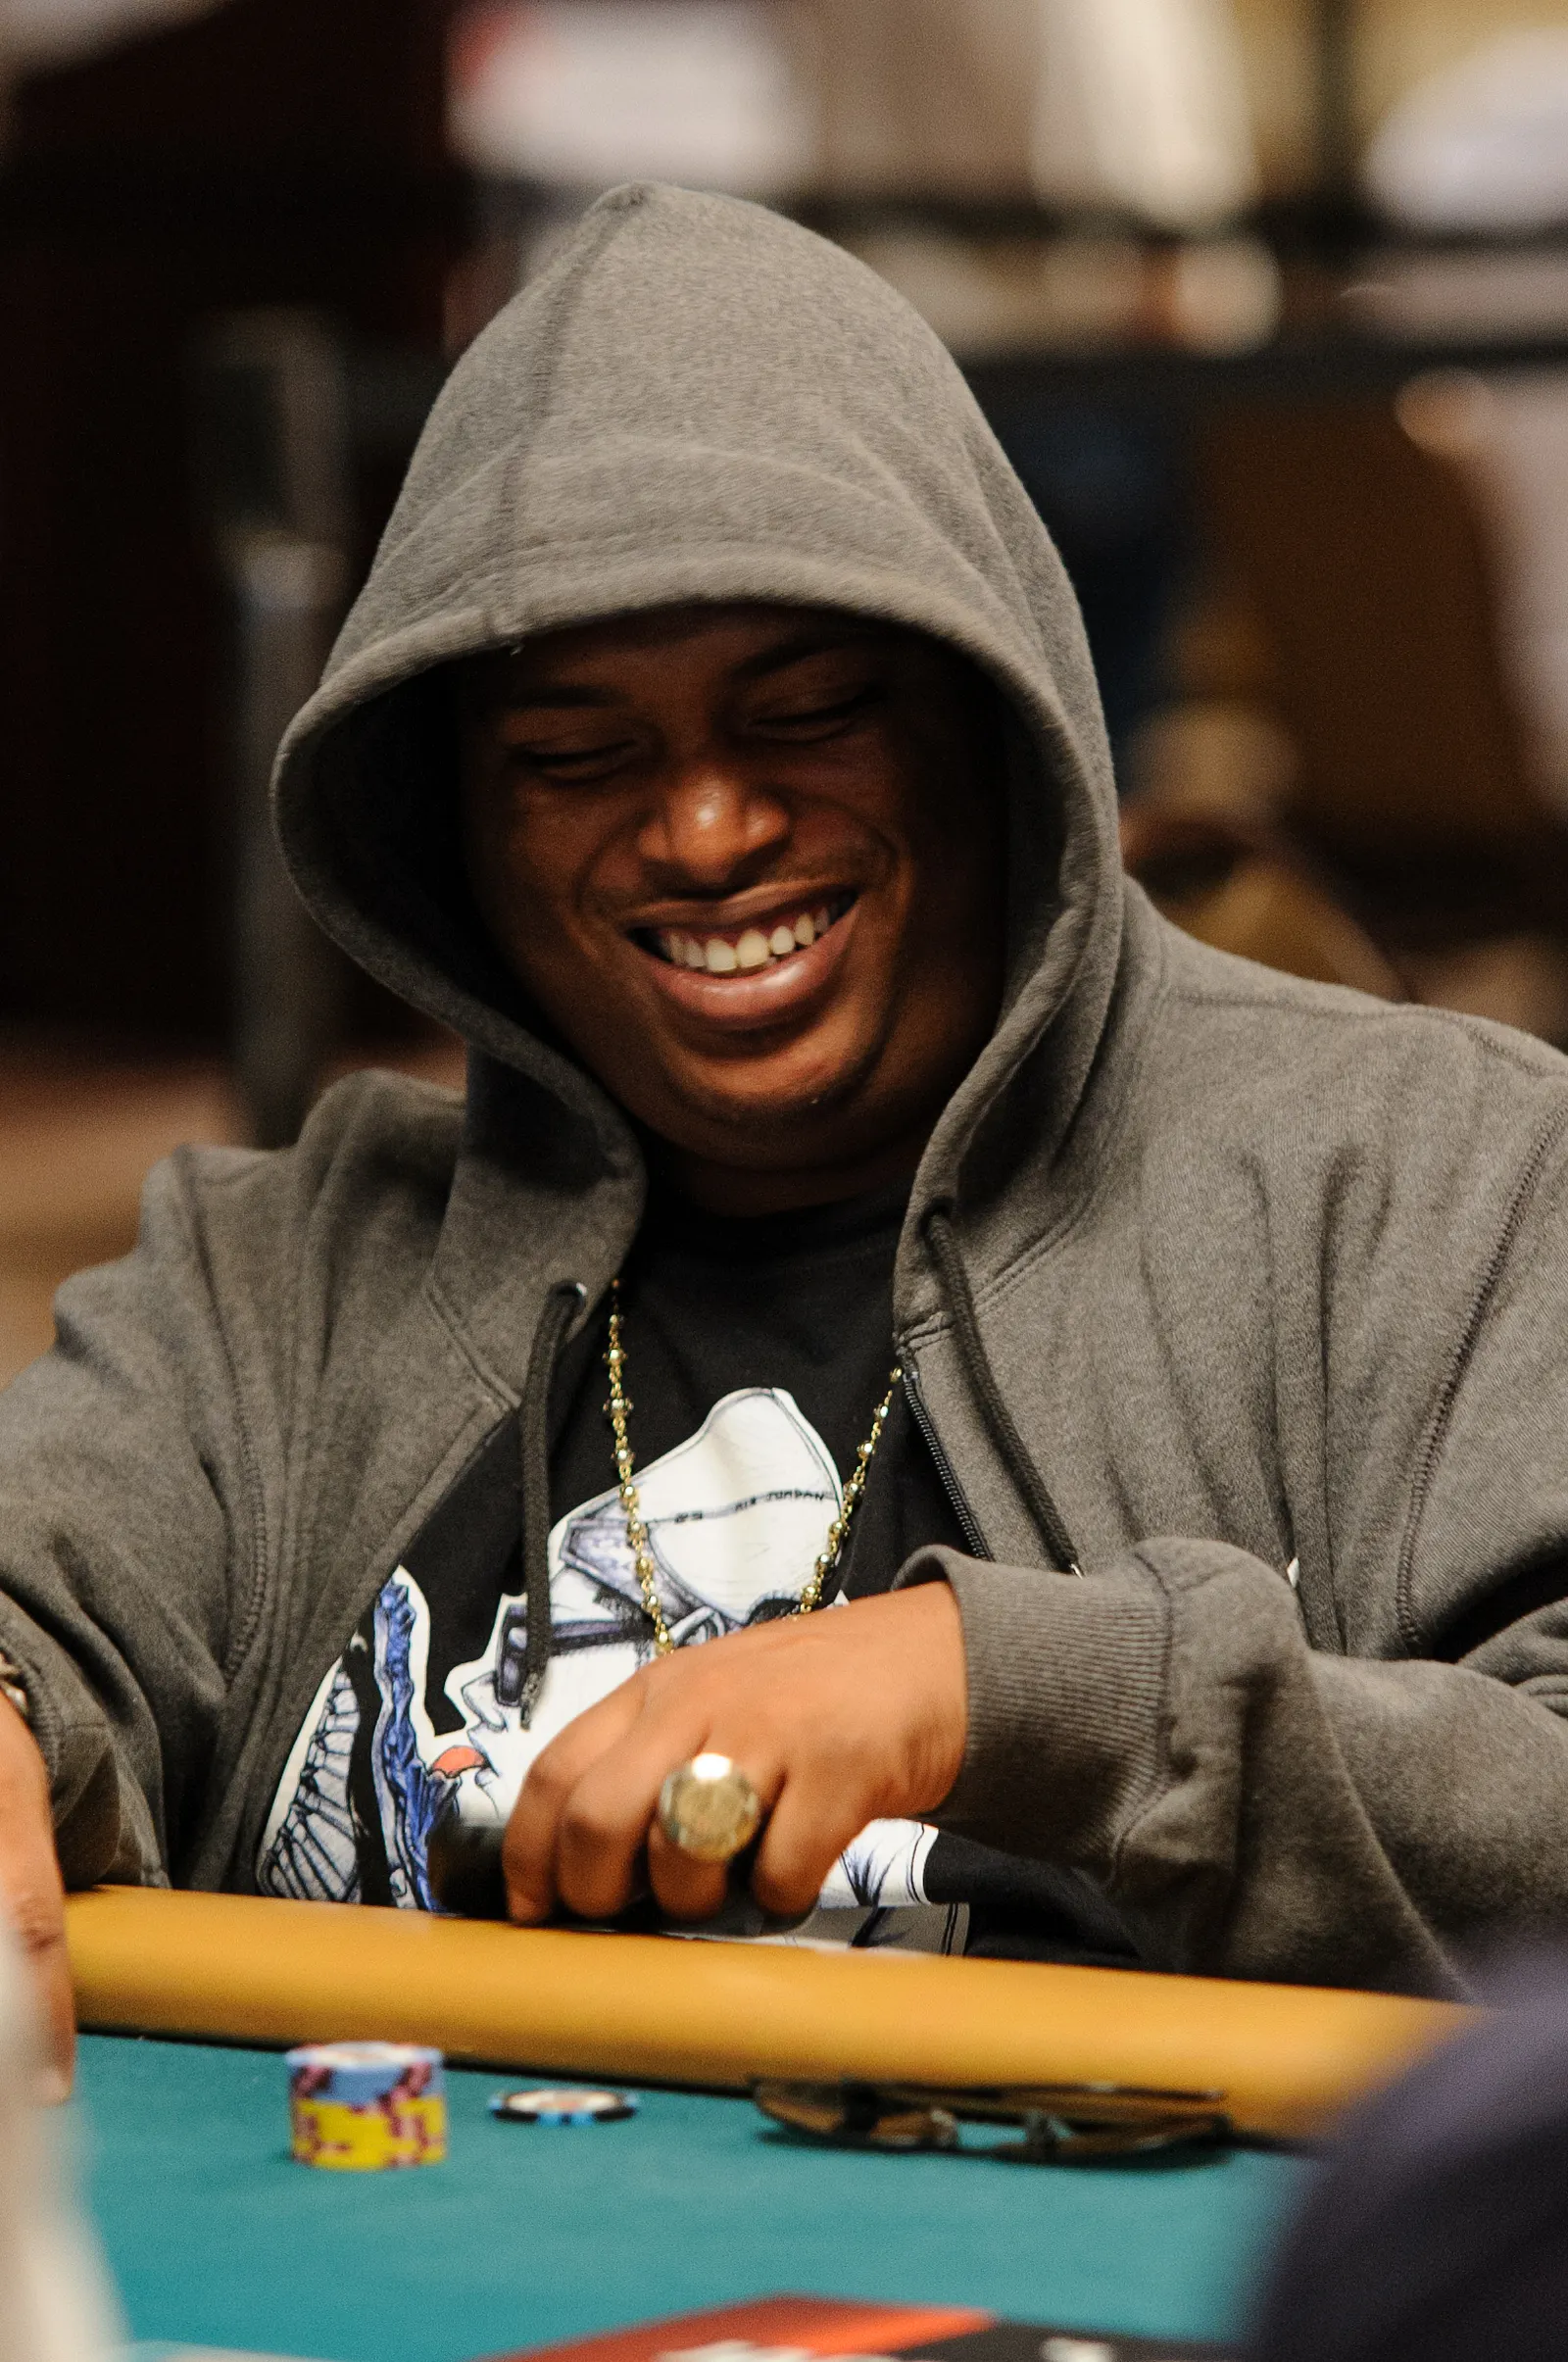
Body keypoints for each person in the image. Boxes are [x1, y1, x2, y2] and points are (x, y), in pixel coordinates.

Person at [7, 184, 1568, 2095]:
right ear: (450, 829)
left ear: (993, 724)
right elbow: (35, 1581)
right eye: (575, 756)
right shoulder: (279, 1275)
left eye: (810, 712)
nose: (705, 830)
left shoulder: (1443, 1181)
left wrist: (1004, 1691)